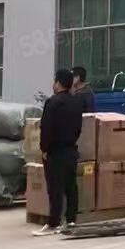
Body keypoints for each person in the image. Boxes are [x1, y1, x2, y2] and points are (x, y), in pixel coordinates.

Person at [34, 68, 85, 235]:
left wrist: (44, 149)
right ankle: (70, 221)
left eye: (55, 81)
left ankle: (53, 223)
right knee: (71, 187)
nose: (53, 84)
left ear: (58, 83)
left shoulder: (52, 102)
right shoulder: (77, 102)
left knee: (55, 188)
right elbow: (78, 128)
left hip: (55, 152)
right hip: (71, 150)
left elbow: (46, 128)